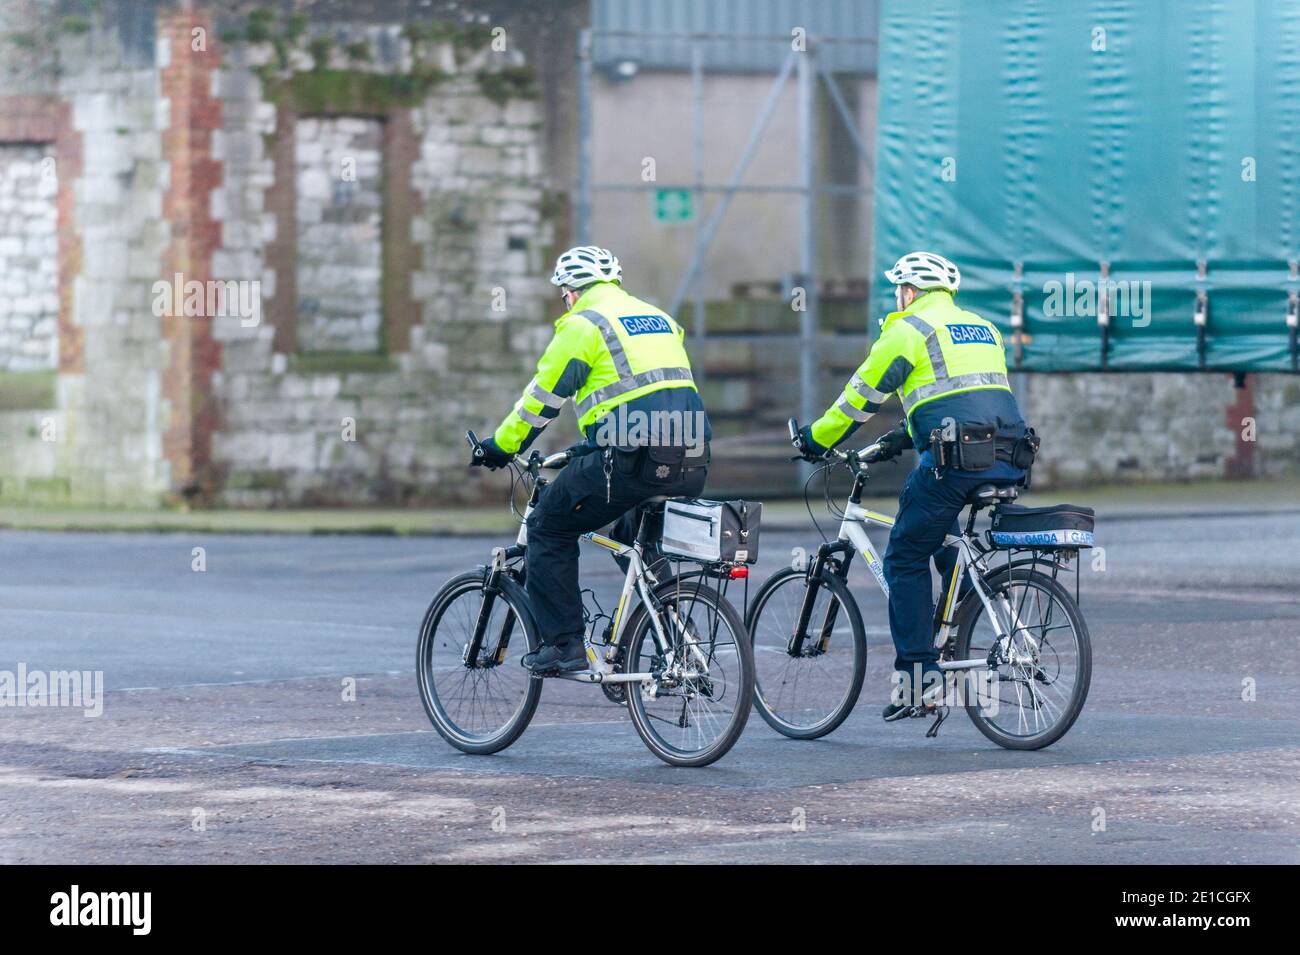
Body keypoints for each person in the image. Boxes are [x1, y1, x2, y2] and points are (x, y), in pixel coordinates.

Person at [791, 251, 1031, 719]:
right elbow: (959, 398)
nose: (897, 297)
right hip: (1010, 456)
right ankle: (963, 600)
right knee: (937, 530)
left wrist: (816, 440)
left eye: (898, 289)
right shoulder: (984, 328)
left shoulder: (906, 330)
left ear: (909, 291)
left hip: (956, 462)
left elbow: (858, 399)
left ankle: (919, 680)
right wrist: (897, 439)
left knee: (902, 554)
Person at [472, 246, 711, 674]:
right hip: (691, 455)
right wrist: (591, 444)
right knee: (629, 534)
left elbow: (541, 400)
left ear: (571, 291)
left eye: (564, 294)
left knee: (548, 524)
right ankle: (671, 630)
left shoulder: (584, 325)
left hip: (631, 459)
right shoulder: (659, 319)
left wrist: (501, 447)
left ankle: (564, 645)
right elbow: (648, 397)